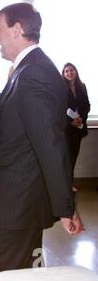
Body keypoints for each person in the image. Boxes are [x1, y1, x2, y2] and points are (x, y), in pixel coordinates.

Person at [0, 2, 84, 274]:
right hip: (16, 203)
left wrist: (65, 207)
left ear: (17, 30)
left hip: (16, 207)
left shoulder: (34, 73)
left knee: (1, 277)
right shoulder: (27, 69)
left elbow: (50, 145)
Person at [62, 62, 90, 192]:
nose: (69, 73)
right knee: (66, 158)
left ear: (75, 71)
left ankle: (69, 183)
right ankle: (65, 185)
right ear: (63, 74)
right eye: (66, 71)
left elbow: (87, 105)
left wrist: (81, 118)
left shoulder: (82, 87)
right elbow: (59, 108)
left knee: (74, 156)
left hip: (78, 128)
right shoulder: (60, 88)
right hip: (66, 129)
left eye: (71, 70)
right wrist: (70, 121)